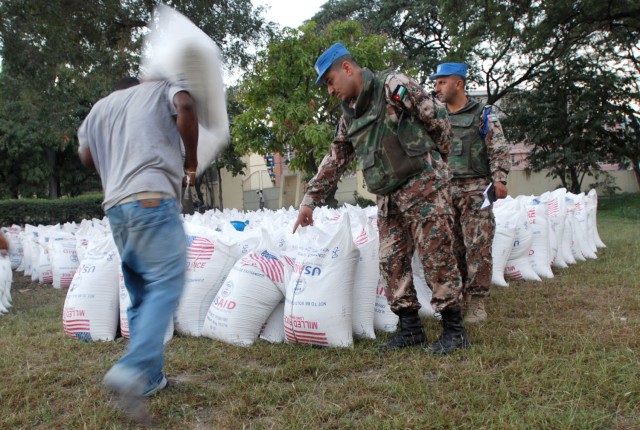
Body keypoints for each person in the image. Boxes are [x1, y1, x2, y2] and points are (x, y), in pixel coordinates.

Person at [293, 43, 470, 355]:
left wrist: (435, 162)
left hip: (424, 187)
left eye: (331, 81)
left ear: (347, 68)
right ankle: (410, 329)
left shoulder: (393, 86)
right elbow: (335, 159)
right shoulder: (349, 116)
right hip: (389, 198)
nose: (331, 90)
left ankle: (454, 330)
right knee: (391, 262)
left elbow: (438, 119)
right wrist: (310, 200)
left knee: (436, 256)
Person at [77, 76, 198, 423]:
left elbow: (85, 154)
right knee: (167, 283)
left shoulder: (100, 109)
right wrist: (190, 161)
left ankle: (149, 379)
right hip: (151, 197)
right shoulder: (161, 87)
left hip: (116, 209)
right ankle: (131, 368)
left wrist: (113, 152)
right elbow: (186, 106)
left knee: (141, 293)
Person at [430, 63, 511, 323]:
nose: (436, 87)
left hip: (477, 188)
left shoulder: (482, 113)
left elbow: (497, 146)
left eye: (442, 82)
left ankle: (477, 302)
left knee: (478, 245)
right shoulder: (435, 115)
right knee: (452, 246)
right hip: (445, 189)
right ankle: (460, 296)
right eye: (436, 82)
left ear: (459, 83)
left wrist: (499, 178)